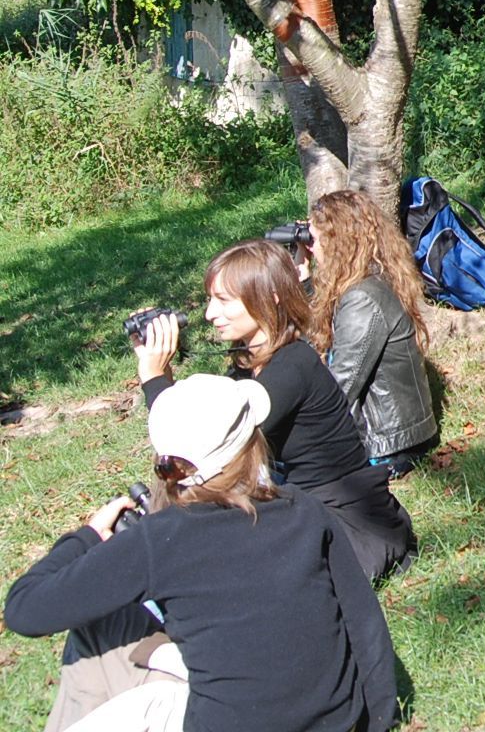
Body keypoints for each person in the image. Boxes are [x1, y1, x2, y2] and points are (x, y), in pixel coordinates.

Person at [6, 374, 399, 732]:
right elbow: (365, 625)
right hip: (336, 722)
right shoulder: (305, 510)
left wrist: (88, 537)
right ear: (250, 447)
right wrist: (379, 721)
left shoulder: (157, 539)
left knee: (97, 627)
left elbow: (24, 610)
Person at [132, 241, 417, 580]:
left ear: (270, 297)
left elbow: (200, 445)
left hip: (346, 524)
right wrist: (162, 377)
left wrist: (153, 380)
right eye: (211, 300)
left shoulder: (292, 366)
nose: (210, 314)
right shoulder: (247, 365)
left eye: (223, 300)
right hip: (296, 509)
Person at [305, 189, 439, 477]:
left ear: (337, 242)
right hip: (403, 434)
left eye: (314, 240)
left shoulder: (362, 298)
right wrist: (305, 285)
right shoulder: (373, 278)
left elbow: (339, 386)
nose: (311, 250)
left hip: (388, 445)